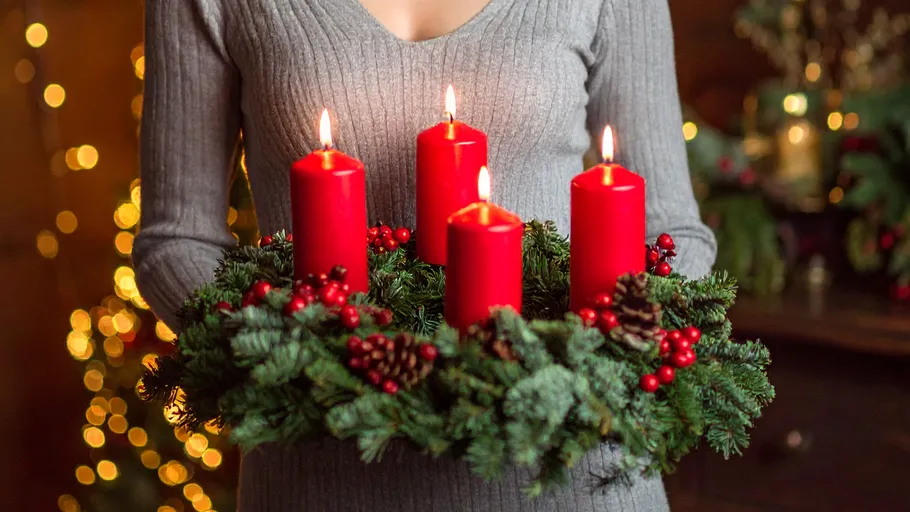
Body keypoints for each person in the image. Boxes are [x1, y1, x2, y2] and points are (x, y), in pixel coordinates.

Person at [135, 0, 717, 510]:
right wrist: (299, 360)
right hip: (321, 472)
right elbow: (176, 240)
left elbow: (673, 235)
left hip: (570, 469)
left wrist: (587, 365)